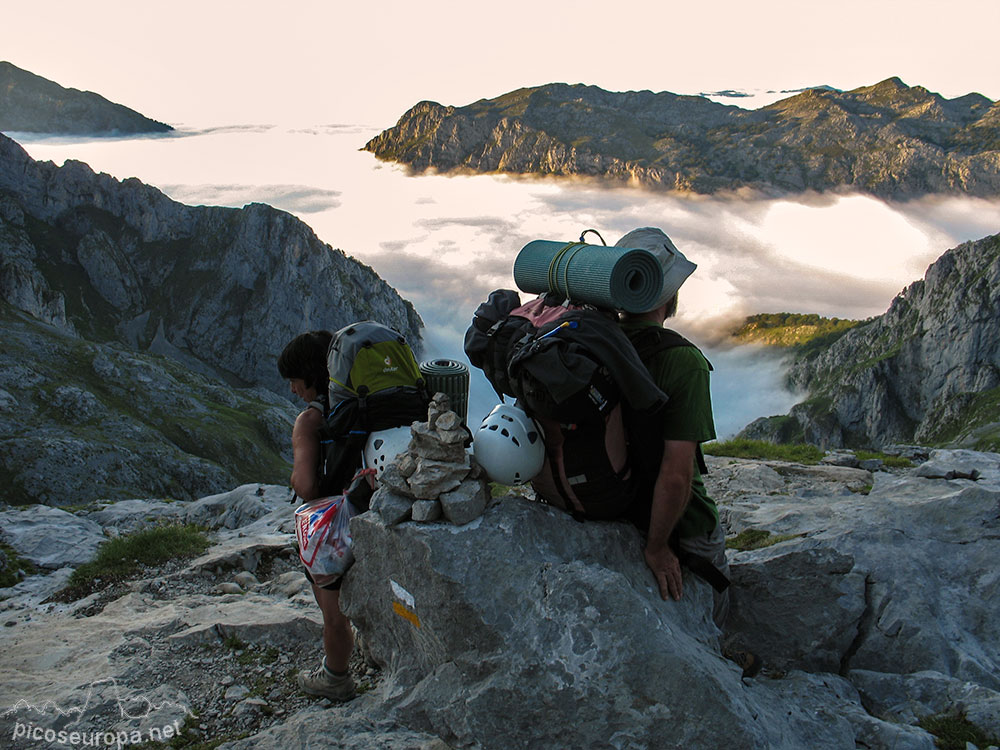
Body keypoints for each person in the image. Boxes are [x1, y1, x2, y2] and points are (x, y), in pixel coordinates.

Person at [615, 227, 731, 629]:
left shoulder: (588, 341)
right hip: (682, 528)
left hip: (612, 503)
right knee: (719, 609)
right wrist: (658, 547)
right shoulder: (684, 362)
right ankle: (723, 648)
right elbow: (677, 476)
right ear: (668, 295)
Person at [277, 330, 356, 701]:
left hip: (333, 530)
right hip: (374, 513)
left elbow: (307, 486)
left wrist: (293, 475)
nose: (293, 389)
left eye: (294, 380)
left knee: (333, 613)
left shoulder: (310, 420)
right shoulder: (360, 404)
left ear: (310, 375)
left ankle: (336, 678)